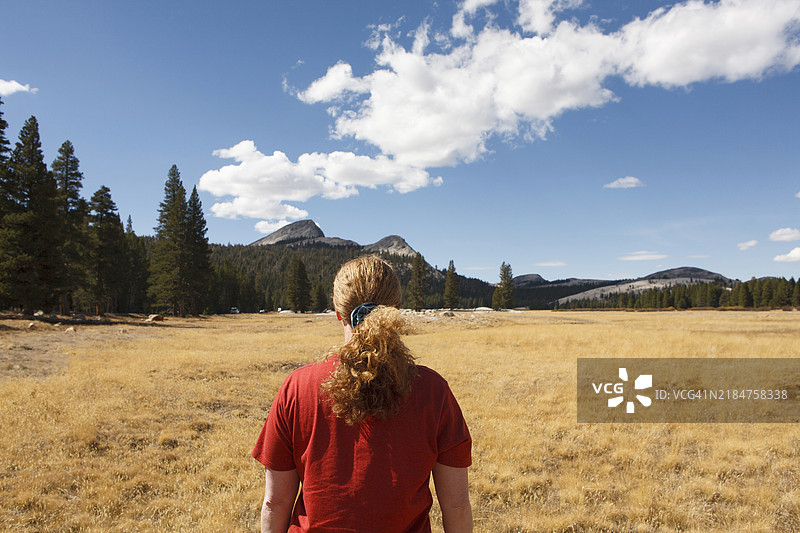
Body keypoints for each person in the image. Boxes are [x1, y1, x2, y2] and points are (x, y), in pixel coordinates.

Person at [252, 255, 473, 532]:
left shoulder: (297, 388)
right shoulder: (433, 391)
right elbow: (457, 506)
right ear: (395, 311)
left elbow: (275, 503)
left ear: (338, 313)